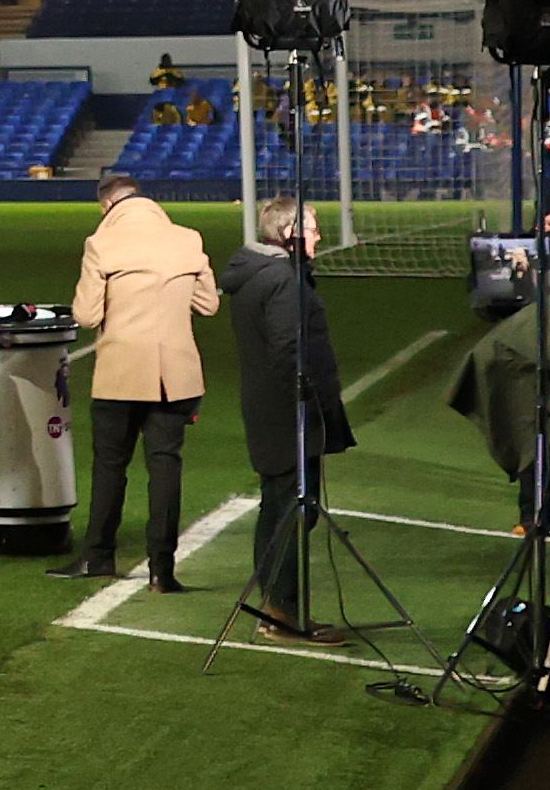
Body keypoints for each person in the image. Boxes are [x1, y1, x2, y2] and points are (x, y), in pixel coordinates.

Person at [68, 174, 221, 589]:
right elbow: (208, 304)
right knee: (165, 467)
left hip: (120, 372)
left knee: (110, 467)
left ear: (107, 208)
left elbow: (85, 315)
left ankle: (99, 556)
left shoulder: (103, 243)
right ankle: (162, 569)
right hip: (176, 375)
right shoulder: (188, 239)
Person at [222, 195, 355, 636]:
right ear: (289, 234)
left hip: (269, 409)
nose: (319, 236)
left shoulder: (260, 274)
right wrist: (310, 400)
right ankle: (282, 611)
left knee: (279, 505)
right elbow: (287, 351)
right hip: (286, 414)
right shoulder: (281, 280)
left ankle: (276, 605)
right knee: (292, 510)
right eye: (313, 228)